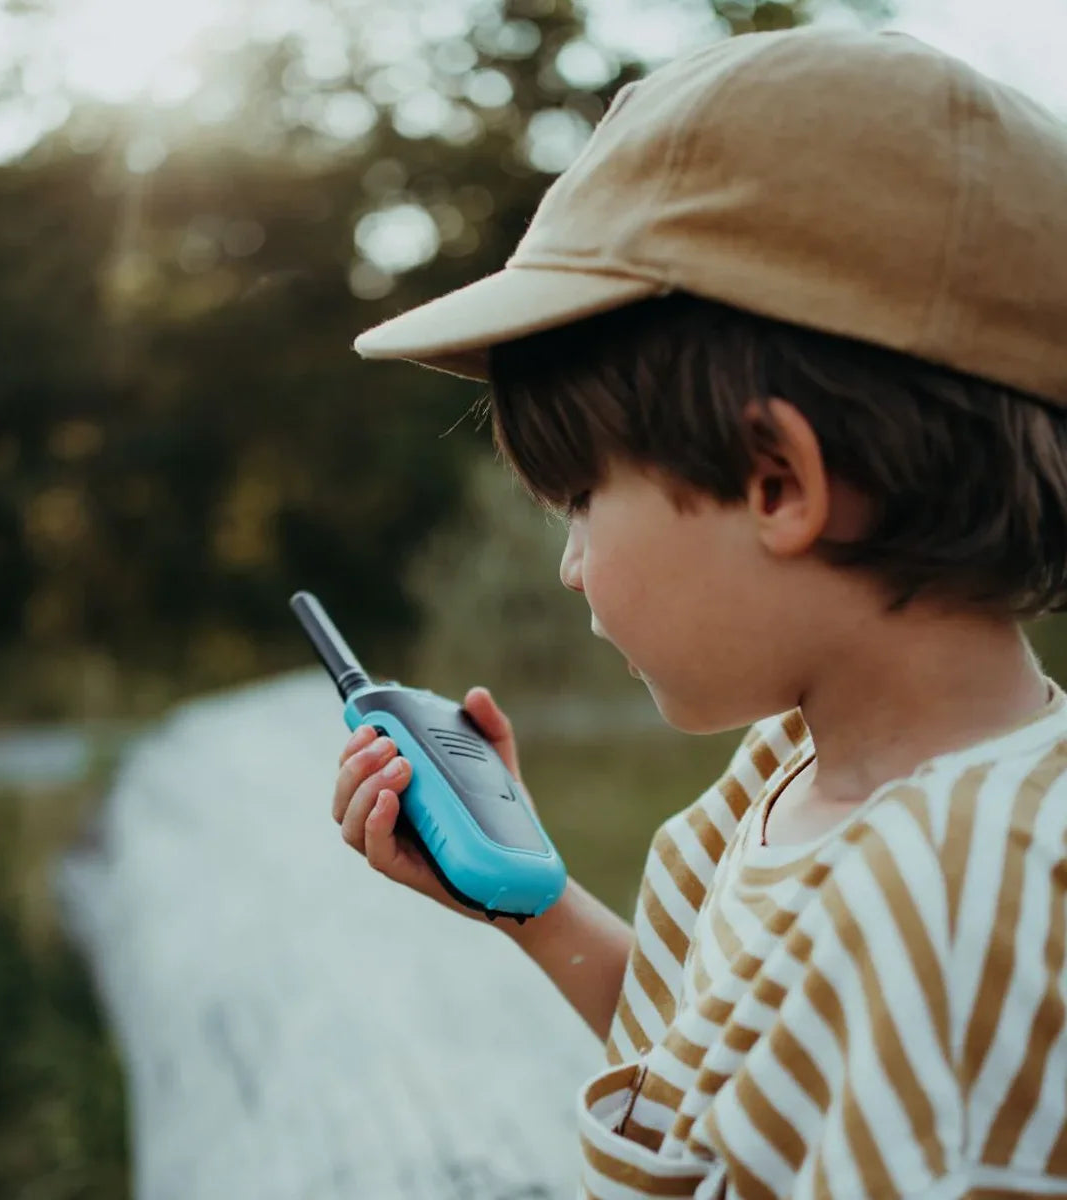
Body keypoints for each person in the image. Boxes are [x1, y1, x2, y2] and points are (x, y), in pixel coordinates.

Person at [332, 26, 1067, 1199]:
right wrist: (532, 908)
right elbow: (716, 1075)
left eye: (580, 499)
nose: (571, 565)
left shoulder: (973, 911)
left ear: (776, 480)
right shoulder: (783, 771)